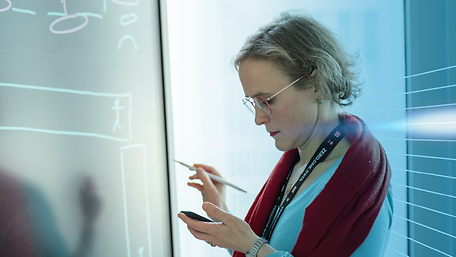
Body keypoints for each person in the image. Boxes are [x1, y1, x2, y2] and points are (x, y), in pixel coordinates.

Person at [177, 10, 392, 257]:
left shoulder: (363, 186)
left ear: (316, 83)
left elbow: (260, 250)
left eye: (267, 101)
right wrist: (224, 216)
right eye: (253, 103)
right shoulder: (298, 162)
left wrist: (252, 246)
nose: (258, 119)